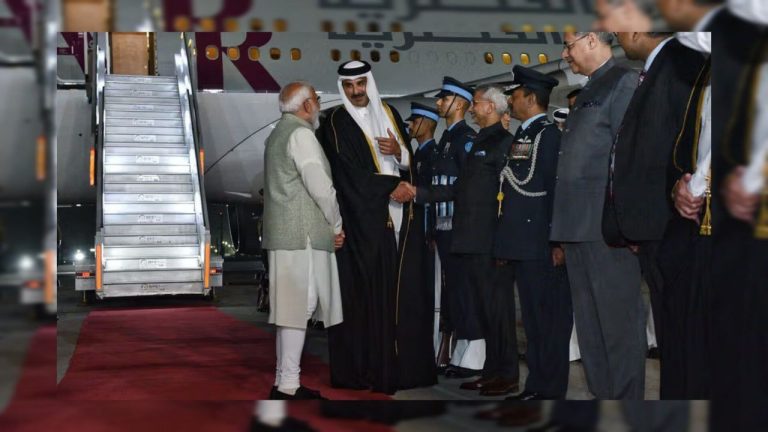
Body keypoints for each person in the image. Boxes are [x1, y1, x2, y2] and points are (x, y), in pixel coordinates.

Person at [317, 60, 436, 394]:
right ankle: (369, 371)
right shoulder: (336, 122)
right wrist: (388, 187)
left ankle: (404, 369)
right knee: (370, 299)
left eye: (360, 83)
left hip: (401, 219)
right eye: (349, 85)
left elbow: (409, 161)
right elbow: (346, 175)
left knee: (402, 296)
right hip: (364, 228)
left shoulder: (390, 114)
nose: (356, 91)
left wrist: (400, 155)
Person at [606, 32, 705, 398]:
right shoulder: (660, 66)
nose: (617, 35)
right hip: (655, 226)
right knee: (670, 336)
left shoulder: (682, 60)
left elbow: (686, 140)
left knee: (683, 337)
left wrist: (686, 192)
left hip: (674, 225)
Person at [550, 32, 644, 399]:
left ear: (591, 40)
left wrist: (627, 224)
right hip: (576, 226)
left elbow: (629, 157)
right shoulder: (591, 88)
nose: (565, 54)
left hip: (606, 228)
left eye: (569, 45)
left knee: (618, 327)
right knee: (590, 331)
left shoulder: (623, 81)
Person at [410, 85, 514, 393]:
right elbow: (460, 189)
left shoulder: (504, 142)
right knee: (484, 309)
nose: (472, 109)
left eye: (477, 104)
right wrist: (419, 193)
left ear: (491, 107)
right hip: (470, 238)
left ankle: (507, 374)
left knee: (498, 312)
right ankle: (492, 370)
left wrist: (504, 238)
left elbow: (509, 194)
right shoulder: (481, 140)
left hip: (489, 239)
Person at [490, 65, 572, 400]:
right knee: (534, 321)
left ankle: (549, 389)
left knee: (548, 321)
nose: (510, 100)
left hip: (540, 243)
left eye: (515, 95)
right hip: (523, 243)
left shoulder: (548, 136)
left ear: (531, 98)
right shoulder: (524, 135)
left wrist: (557, 241)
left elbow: (557, 191)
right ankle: (536, 385)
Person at [262, 82, 345, 400]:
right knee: (300, 307)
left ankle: (285, 382)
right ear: (307, 105)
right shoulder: (301, 135)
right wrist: (336, 224)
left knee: (290, 308)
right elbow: (321, 187)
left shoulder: (277, 134)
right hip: (303, 235)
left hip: (285, 234)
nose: (319, 106)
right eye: (317, 100)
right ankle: (288, 384)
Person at [430, 76, 482, 378]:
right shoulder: (447, 139)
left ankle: (474, 356)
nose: (439, 103)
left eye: (444, 98)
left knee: (465, 292)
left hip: (460, 229)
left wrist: (424, 194)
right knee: (455, 293)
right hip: (445, 229)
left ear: (460, 103)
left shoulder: (465, 139)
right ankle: (461, 353)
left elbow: (466, 187)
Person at [405, 102, 445, 371]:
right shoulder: (417, 154)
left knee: (433, 292)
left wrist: (431, 231)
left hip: (428, 230)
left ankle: (433, 346)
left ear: (428, 124)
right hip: (417, 230)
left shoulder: (433, 154)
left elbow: (432, 195)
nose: (410, 125)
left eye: (415, 121)